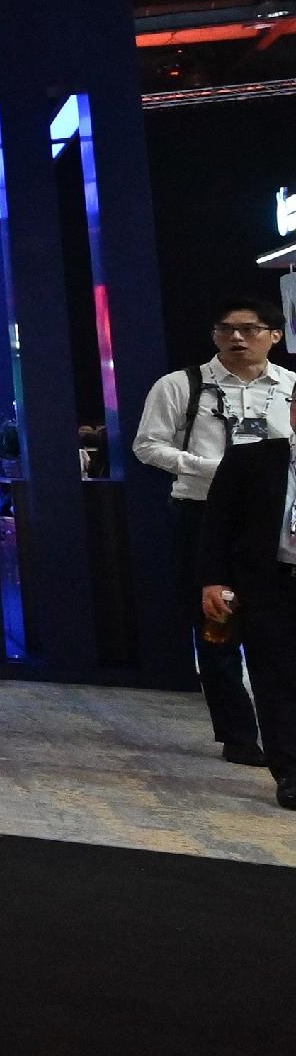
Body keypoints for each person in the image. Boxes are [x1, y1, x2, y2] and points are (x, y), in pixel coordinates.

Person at [133, 303, 292, 767]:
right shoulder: (182, 384)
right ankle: (239, 733)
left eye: (249, 329)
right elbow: (147, 446)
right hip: (202, 511)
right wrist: (211, 470)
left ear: (275, 335)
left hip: (275, 520)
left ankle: (280, 729)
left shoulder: (289, 386)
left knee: (277, 624)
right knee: (217, 622)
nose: (237, 338)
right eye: (226, 329)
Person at [187, 419, 296, 812]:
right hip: (272, 584)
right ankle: (290, 772)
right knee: (275, 679)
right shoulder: (252, 459)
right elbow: (216, 525)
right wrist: (213, 580)